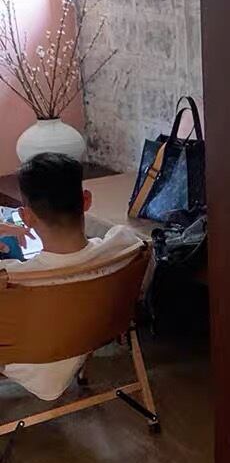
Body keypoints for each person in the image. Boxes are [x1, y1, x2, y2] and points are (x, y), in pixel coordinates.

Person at [0, 153, 142, 401]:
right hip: (90, 339)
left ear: (26, 217)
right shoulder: (126, 246)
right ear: (86, 200)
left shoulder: (12, 279)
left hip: (27, 368)